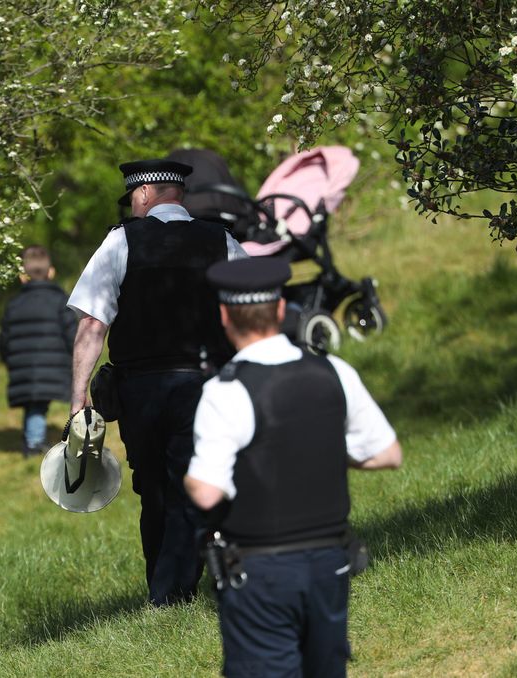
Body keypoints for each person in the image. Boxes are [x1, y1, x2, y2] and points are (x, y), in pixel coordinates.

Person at [184, 257, 403, 677]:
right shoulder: (334, 370)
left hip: (260, 571)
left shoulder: (224, 392)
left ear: (225, 316)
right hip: (330, 561)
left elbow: (208, 490)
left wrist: (190, 479)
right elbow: (388, 453)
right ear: (282, 310)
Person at [67, 158, 247, 606]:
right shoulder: (219, 239)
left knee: (153, 488)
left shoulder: (119, 242)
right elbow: (250, 313)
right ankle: (178, 588)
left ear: (144, 194)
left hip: (141, 391)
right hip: (205, 385)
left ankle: (168, 594)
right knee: (192, 481)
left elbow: (93, 324)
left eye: (131, 199)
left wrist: (78, 397)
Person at [0, 245, 77, 457]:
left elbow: (4, 338)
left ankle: (31, 438)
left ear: (22, 276)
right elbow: (72, 333)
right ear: (51, 272)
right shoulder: (61, 301)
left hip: (23, 365)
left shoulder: (14, 304)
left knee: (33, 403)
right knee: (37, 405)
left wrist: (7, 359)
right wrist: (76, 357)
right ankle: (34, 445)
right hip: (51, 365)